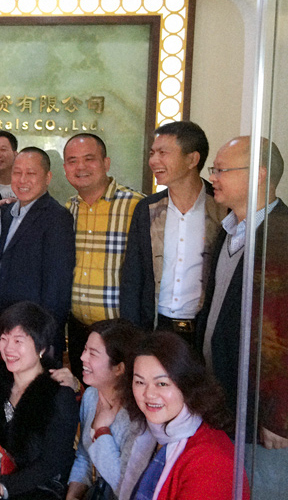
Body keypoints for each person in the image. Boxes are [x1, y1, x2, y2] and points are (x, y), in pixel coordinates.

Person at [198, 136, 287, 496]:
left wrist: (280, 414)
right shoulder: (230, 229)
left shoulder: (281, 235)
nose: (213, 177)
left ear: (259, 175)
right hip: (226, 398)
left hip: (265, 415)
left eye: (221, 170)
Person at [0, 301, 78, 500]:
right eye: (4, 339)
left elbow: (51, 464)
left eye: (18, 341)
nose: (8, 348)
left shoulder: (59, 395)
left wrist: (0, 488)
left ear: (41, 348)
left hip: (38, 487)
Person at [120, 121, 226, 340]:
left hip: (204, 331)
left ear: (192, 160)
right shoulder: (147, 209)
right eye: (152, 153)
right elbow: (132, 278)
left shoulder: (222, 208)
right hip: (156, 328)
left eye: (163, 153)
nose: (153, 161)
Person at [118, 331, 247, 500]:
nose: (149, 394)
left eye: (162, 383)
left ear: (187, 385)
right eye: (140, 382)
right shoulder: (151, 432)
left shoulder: (212, 461)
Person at [63, 133, 144, 383]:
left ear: (106, 163)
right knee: (84, 394)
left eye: (89, 159)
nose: (81, 167)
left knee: (122, 396)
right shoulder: (67, 210)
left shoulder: (136, 206)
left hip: (119, 334)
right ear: (65, 168)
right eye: (72, 161)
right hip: (79, 329)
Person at [0, 147, 75, 360]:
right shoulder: (5, 214)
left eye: (30, 173)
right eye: (17, 173)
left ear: (47, 177)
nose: (22, 180)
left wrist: (45, 340)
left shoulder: (57, 218)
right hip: (1, 325)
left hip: (32, 333)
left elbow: (57, 288)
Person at [49, 319, 141, 500]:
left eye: (93, 353)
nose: (82, 357)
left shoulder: (136, 416)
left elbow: (123, 487)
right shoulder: (91, 396)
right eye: (85, 349)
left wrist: (100, 431)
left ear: (119, 368)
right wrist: (72, 496)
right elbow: (83, 457)